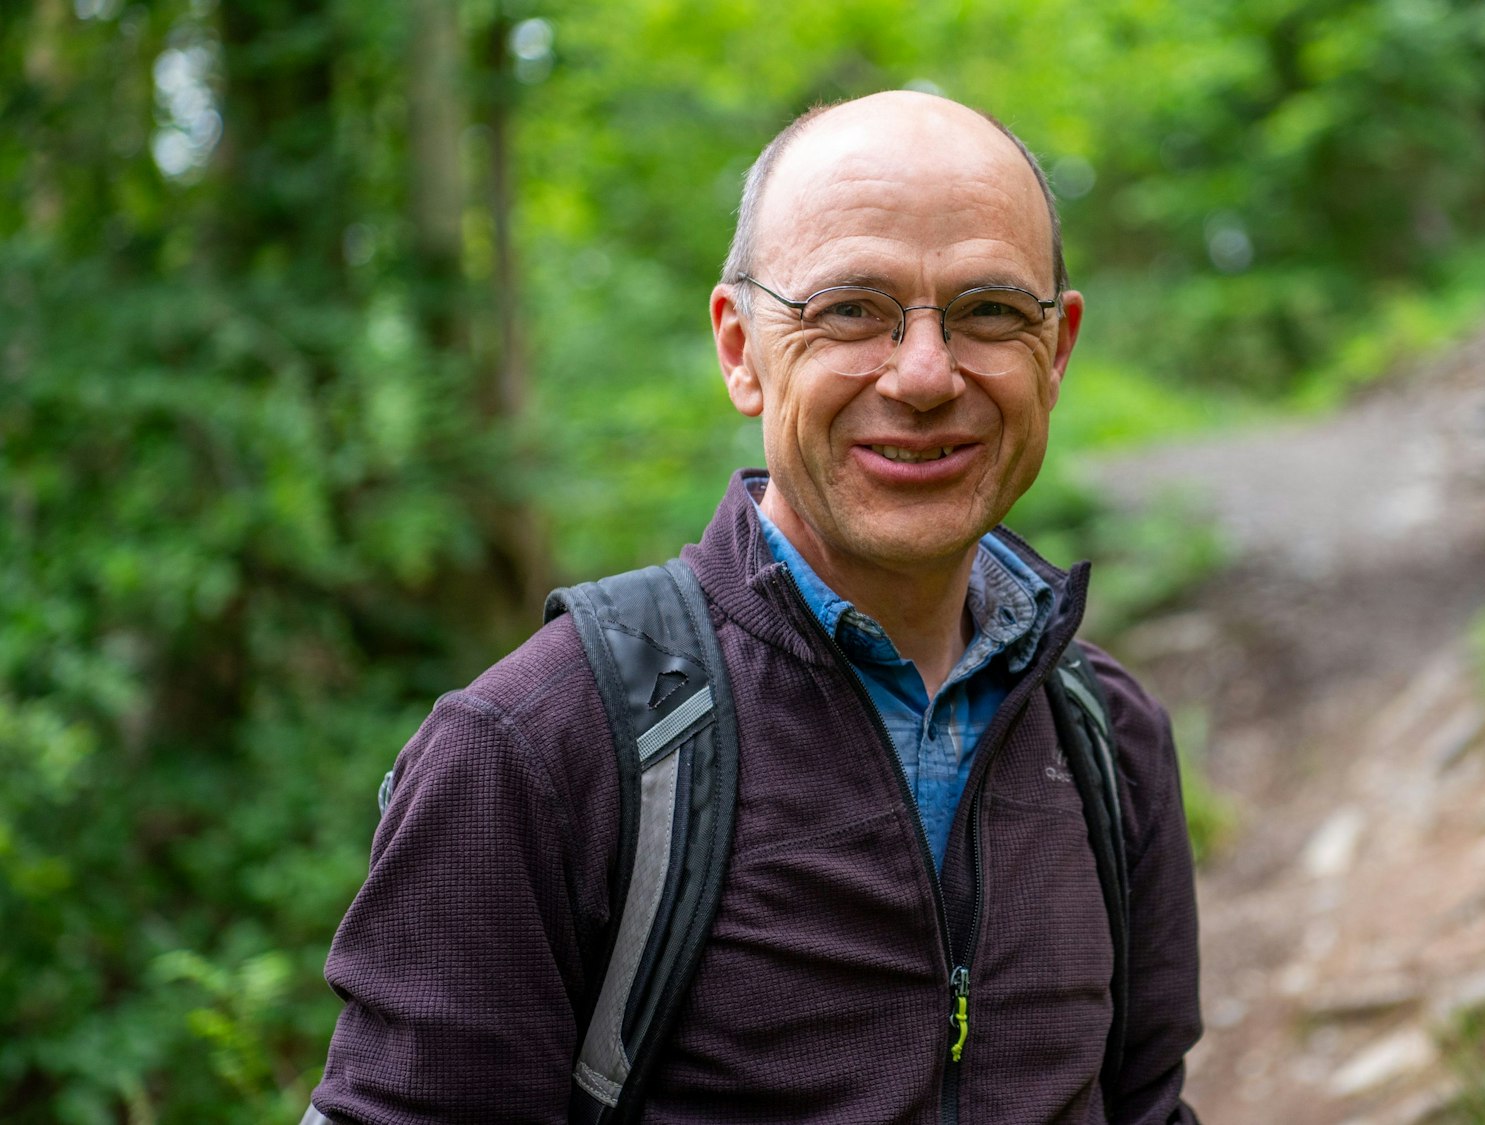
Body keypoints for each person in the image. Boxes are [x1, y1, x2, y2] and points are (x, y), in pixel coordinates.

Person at [305, 91, 1203, 1123]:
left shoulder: (1107, 738)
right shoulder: (538, 749)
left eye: (989, 311)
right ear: (740, 350)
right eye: (849, 309)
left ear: (1057, 350)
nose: (923, 375)